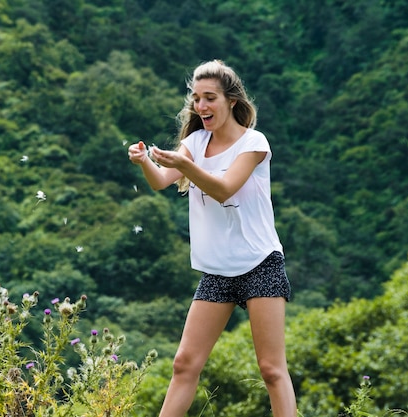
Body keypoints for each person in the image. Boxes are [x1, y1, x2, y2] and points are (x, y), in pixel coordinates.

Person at [127, 59, 297, 417]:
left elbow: (224, 190)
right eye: (196, 99)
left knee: (270, 368)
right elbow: (161, 180)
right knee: (184, 364)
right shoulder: (195, 142)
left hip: (259, 263)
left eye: (209, 98)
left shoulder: (254, 143)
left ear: (231, 101)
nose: (201, 107)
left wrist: (187, 165)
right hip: (217, 271)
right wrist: (144, 161)